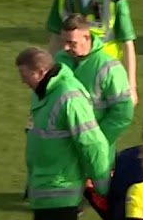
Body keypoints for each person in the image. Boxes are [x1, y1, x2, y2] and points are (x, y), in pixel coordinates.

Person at [17, 47, 114, 220]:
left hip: (62, 183)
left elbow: (92, 143)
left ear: (39, 72)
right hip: (45, 182)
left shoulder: (68, 97)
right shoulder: (47, 94)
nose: (22, 80)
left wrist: (102, 182)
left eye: (24, 74)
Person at [45, 0, 138, 104]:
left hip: (104, 76)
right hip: (72, 73)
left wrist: (131, 86)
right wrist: (50, 76)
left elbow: (128, 45)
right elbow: (55, 38)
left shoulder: (115, 0)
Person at [55, 14, 135, 144]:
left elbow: (122, 114)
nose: (66, 48)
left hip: (94, 150)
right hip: (62, 146)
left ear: (86, 38)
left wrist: (95, 141)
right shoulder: (59, 59)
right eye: (64, 42)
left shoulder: (110, 68)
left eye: (71, 43)